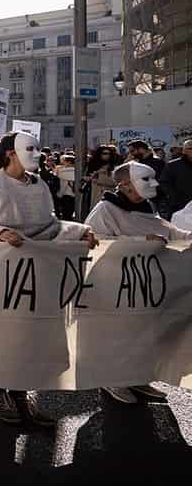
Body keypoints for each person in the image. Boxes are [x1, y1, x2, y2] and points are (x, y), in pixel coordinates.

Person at [0, 131, 98, 427]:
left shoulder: (39, 185)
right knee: (3, 334)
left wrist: (80, 231)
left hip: (37, 274)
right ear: (11, 154)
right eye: (30, 148)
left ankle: (21, 392)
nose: (38, 153)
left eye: (39, 148)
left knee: (28, 336)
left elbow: (50, 226)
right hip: (4, 274)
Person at [84, 161, 188, 404]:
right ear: (126, 185)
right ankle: (112, 379)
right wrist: (142, 240)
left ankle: (137, 377)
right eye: (146, 179)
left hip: (142, 284)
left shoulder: (146, 206)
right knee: (118, 334)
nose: (153, 184)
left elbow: (168, 231)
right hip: (114, 284)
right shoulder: (105, 210)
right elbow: (96, 241)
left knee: (142, 334)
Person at [160, 139, 192, 219]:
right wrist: (175, 198)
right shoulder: (172, 165)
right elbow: (164, 182)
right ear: (184, 151)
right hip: (181, 205)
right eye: (190, 148)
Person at [85, 145, 120, 210]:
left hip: (108, 196)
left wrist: (98, 178)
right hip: (94, 195)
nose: (107, 155)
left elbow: (115, 183)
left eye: (109, 153)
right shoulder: (93, 165)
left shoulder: (113, 166)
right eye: (105, 153)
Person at [54, 154, 77, 221]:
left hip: (66, 195)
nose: (62, 163)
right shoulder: (78, 171)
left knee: (66, 215)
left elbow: (63, 185)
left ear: (69, 162)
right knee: (71, 213)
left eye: (64, 161)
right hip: (76, 195)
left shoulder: (63, 171)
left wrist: (59, 195)